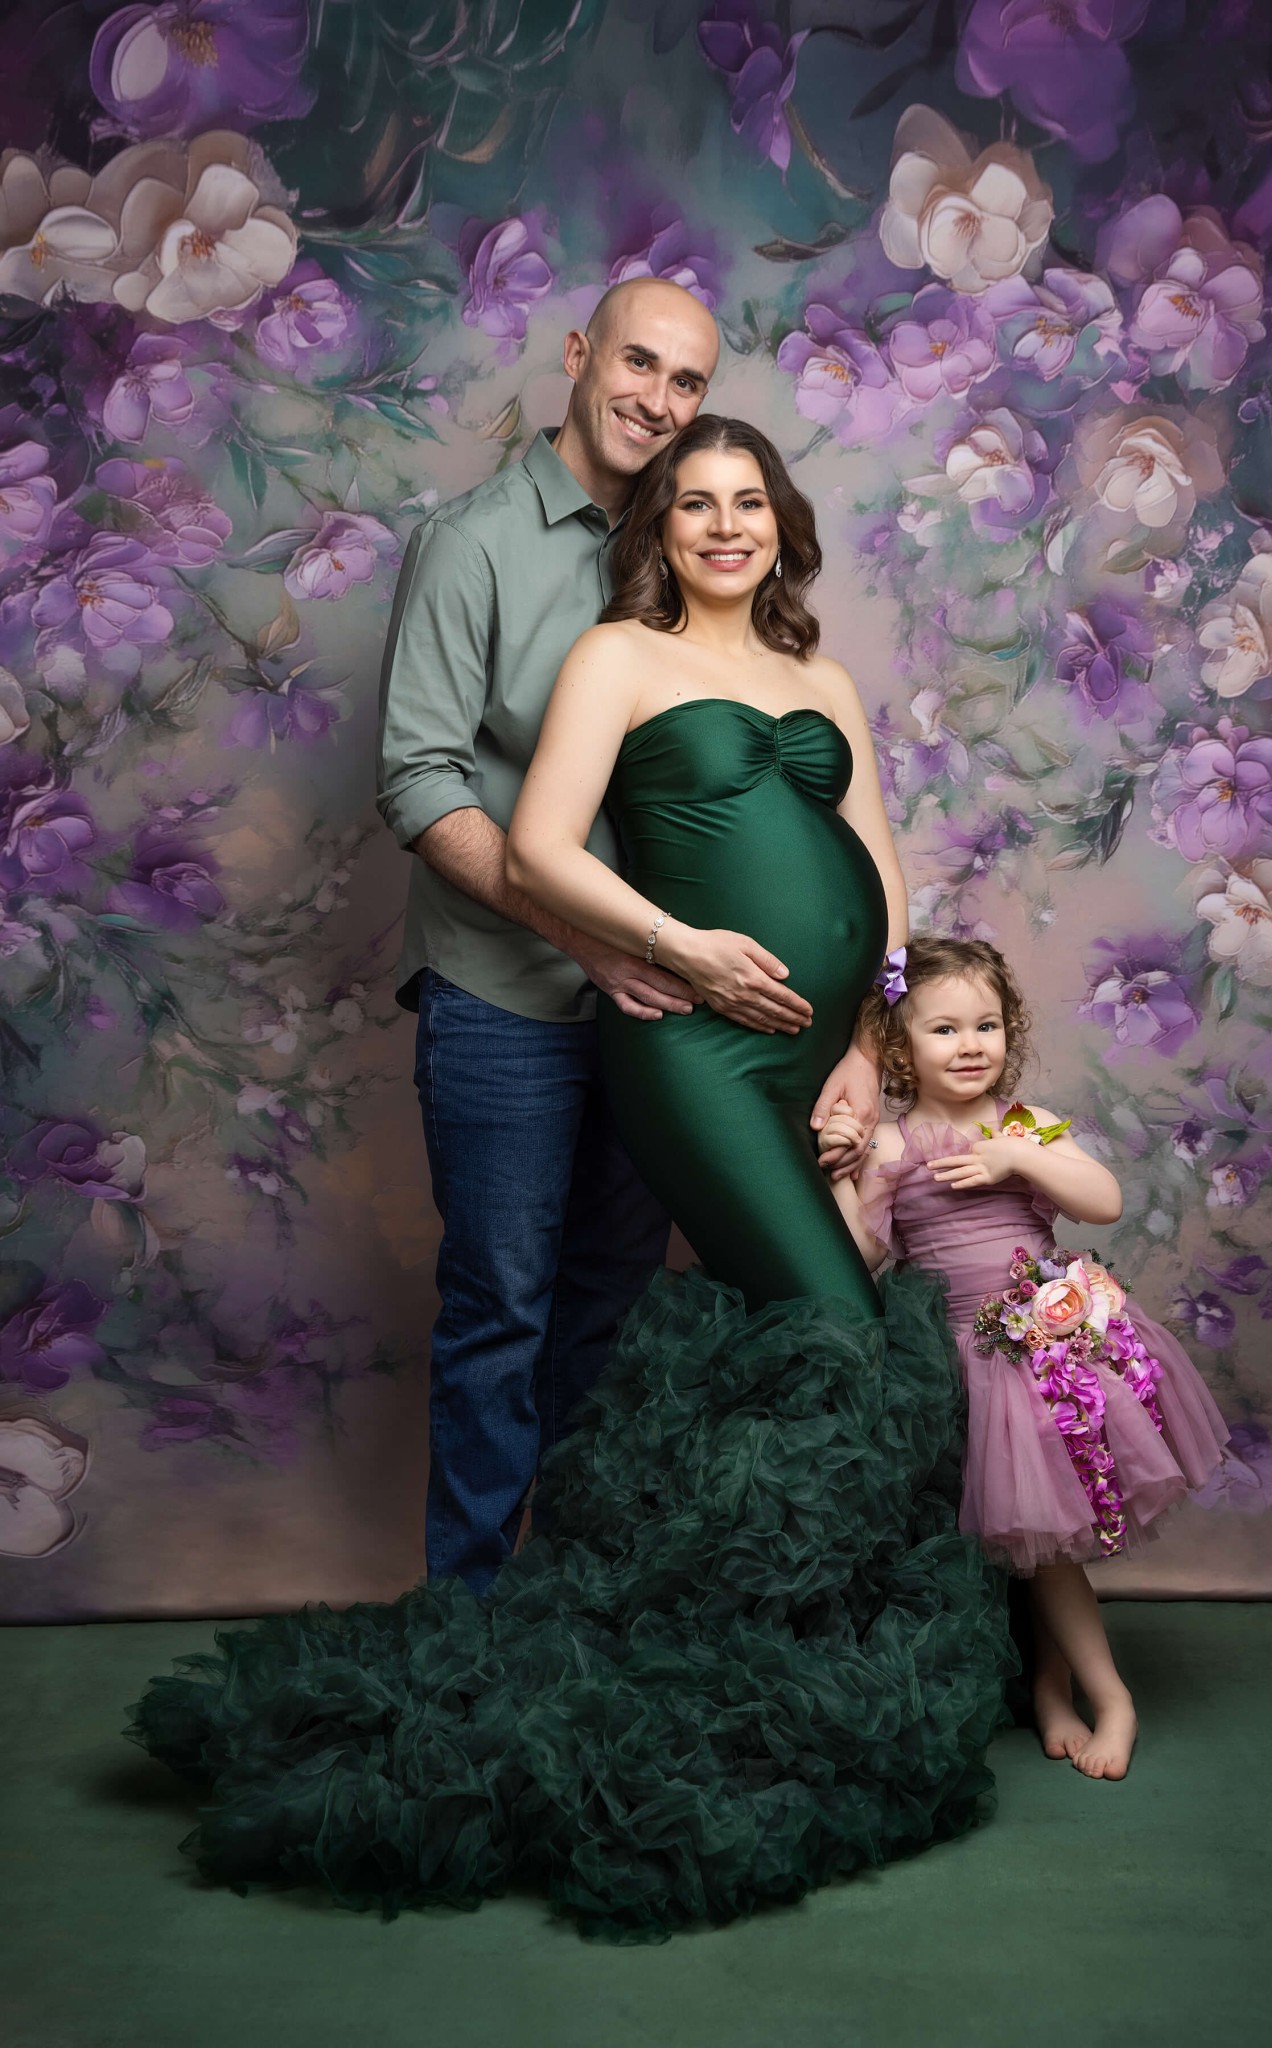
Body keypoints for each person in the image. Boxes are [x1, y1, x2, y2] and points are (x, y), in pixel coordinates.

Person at [130, 419, 1010, 1938]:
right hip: (690, 1052)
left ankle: (743, 1629)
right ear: (658, 529)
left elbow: (881, 874)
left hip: (808, 1061)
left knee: (809, 1332)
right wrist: (679, 949)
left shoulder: (825, 682)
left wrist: (868, 1044)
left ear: (779, 525)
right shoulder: (615, 656)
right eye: (694, 506)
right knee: (838, 1329)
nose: (723, 527)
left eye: (746, 503)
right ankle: (773, 1672)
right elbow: (539, 848)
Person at [374, 277, 717, 1593]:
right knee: (500, 1319)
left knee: (609, 1323)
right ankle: (463, 1634)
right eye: (638, 364)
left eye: (686, 383)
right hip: (504, 1000)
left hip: (656, 1017)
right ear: (578, 356)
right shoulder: (475, 544)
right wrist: (585, 938)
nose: (658, 401)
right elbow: (418, 784)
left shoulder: (693, 543)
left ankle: (570, 1621)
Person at [817, 935, 1229, 1781]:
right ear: (898, 1048)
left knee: (1052, 1540)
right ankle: (1060, 1687)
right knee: (1036, 1542)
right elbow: (860, 1262)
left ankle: (1095, 1694)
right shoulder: (895, 1148)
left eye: (988, 1025)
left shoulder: (1024, 1124)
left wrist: (1017, 1155)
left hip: (1060, 1348)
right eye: (944, 1029)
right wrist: (841, 1180)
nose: (971, 1045)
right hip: (974, 1359)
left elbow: (1104, 1201)